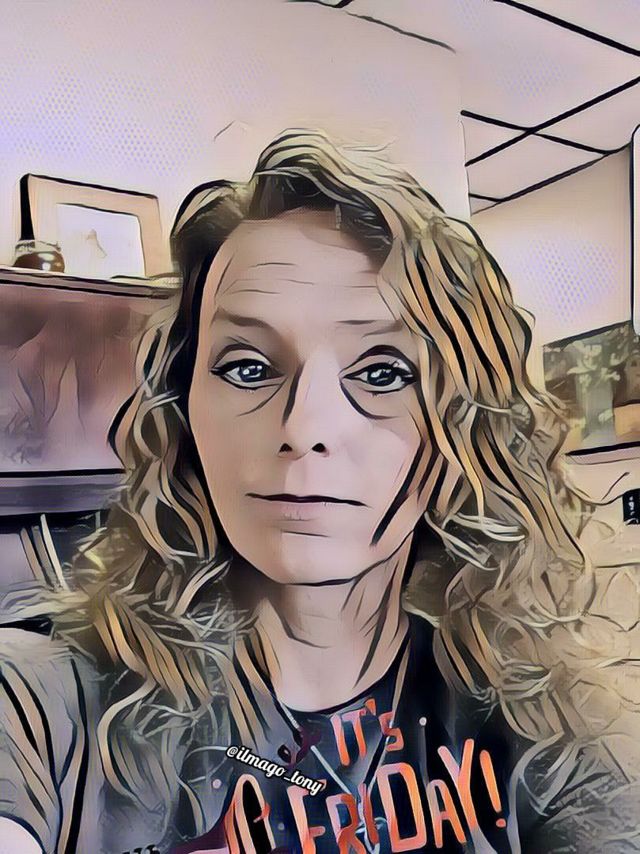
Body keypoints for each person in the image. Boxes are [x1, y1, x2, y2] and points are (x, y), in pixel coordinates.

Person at [0, 129, 637, 854]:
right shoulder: (46, 700)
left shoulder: (536, 720)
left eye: (383, 372)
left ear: (463, 428)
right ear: (185, 412)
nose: (304, 428)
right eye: (248, 367)